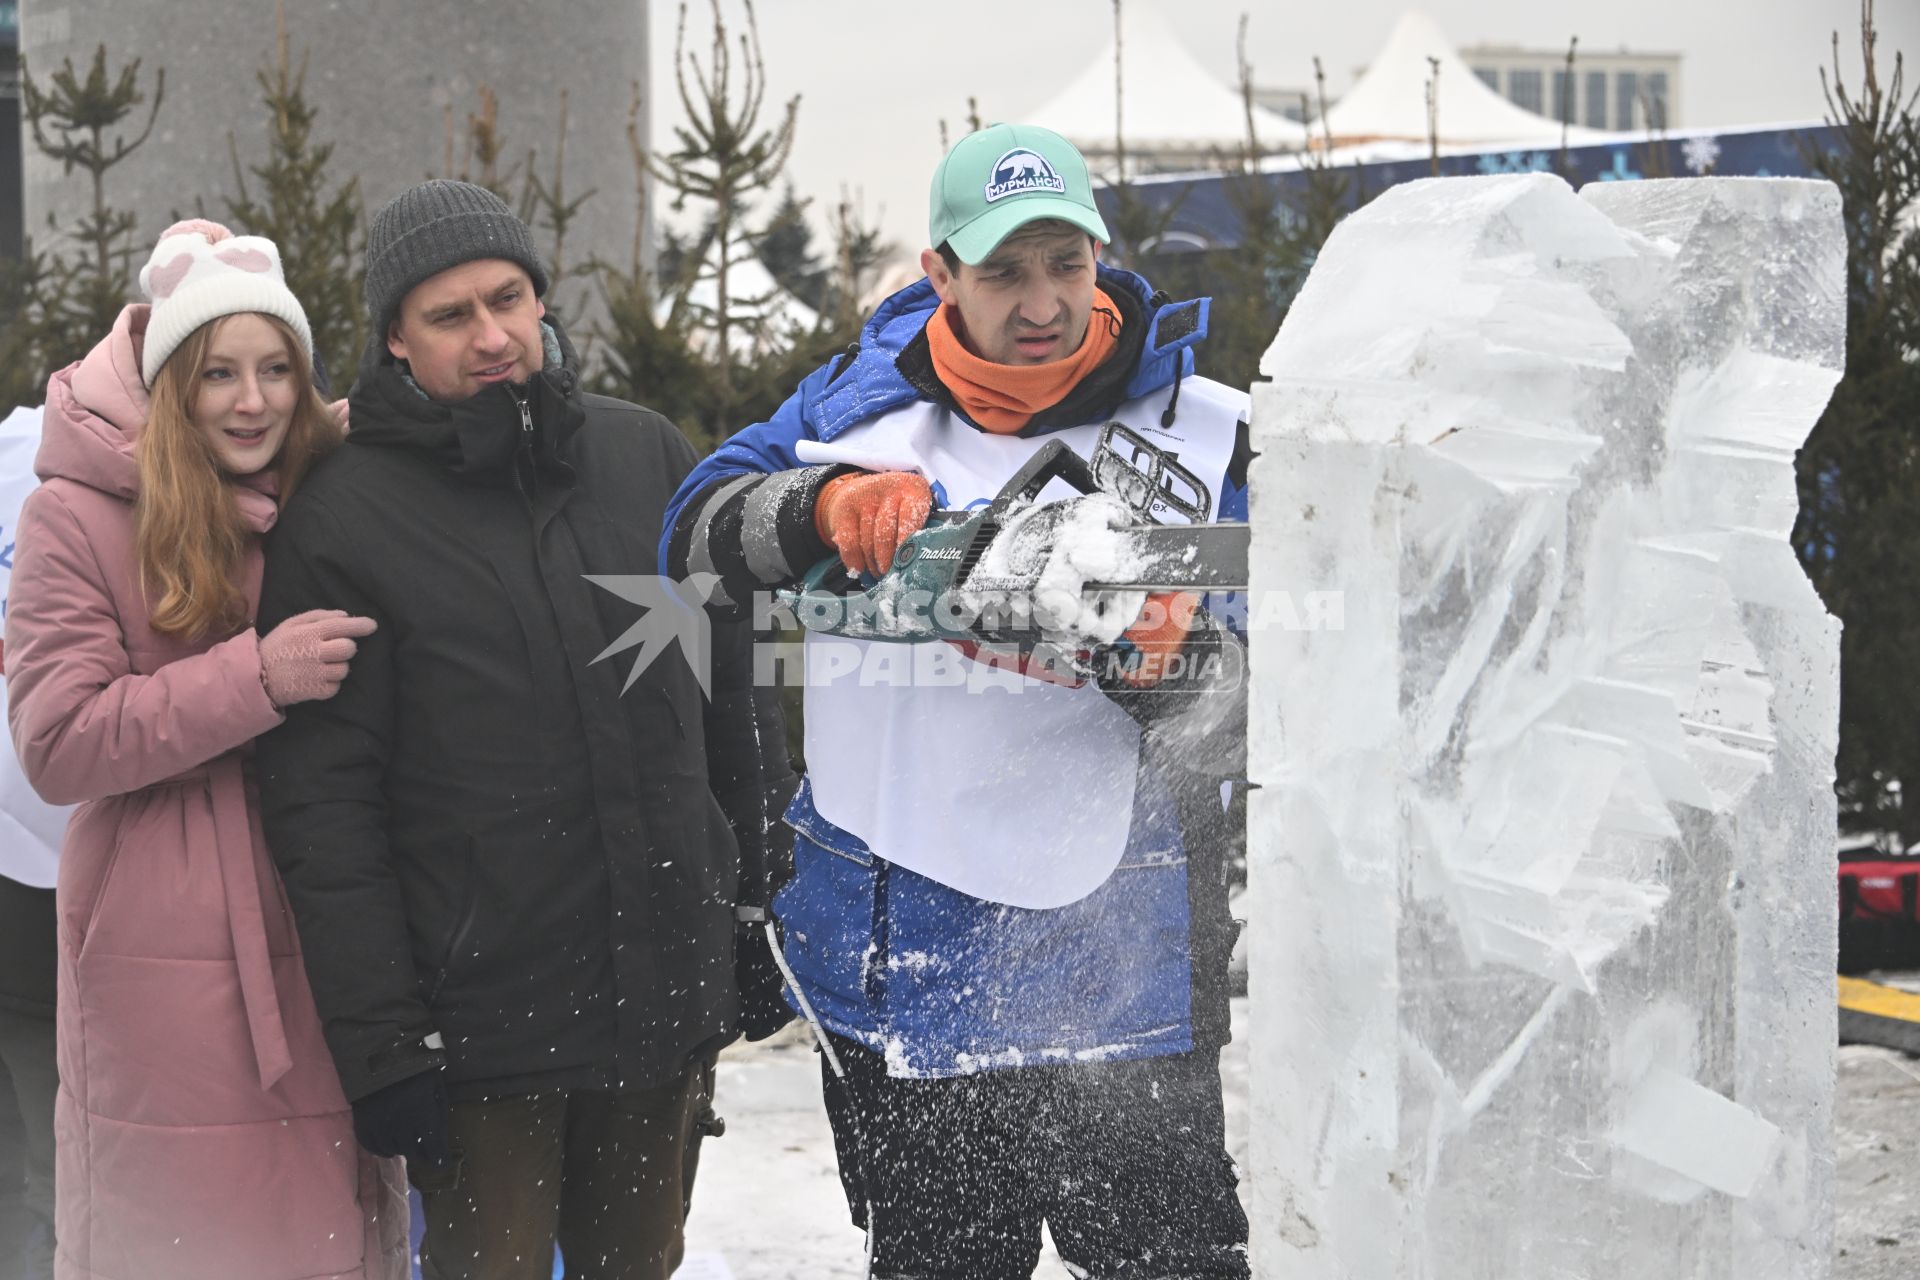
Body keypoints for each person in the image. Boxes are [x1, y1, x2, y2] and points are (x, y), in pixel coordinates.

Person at [661, 123, 1252, 1279]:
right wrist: (815, 511)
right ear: (938, 272)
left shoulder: (1203, 427)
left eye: (1065, 264)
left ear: (1100, 254)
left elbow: (1279, 689)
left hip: (1127, 977)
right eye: (1003, 271)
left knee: (1170, 1266)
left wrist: (1166, 652)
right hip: (909, 970)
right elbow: (688, 537)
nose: (1043, 302)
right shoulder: (851, 412)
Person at [253, 179, 791, 1280]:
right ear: (396, 340)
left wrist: (755, 905)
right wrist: (384, 1045)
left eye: (509, 299)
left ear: (542, 298)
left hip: (661, 996)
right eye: (451, 316)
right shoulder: (343, 515)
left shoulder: (647, 457)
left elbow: (734, 698)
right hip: (481, 1031)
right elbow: (325, 805)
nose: (493, 335)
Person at [3, 220, 408, 1280]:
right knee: (191, 1232)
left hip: (331, 893)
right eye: (219, 371)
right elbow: (58, 739)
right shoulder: (74, 515)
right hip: (163, 926)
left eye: (277, 368)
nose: (252, 399)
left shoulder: (336, 490)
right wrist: (254, 677)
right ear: (171, 381)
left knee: (329, 1218)